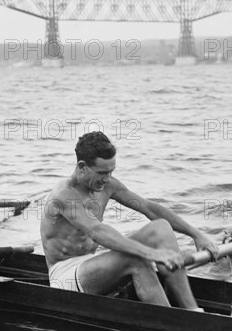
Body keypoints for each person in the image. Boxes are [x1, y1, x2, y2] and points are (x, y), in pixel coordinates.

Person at [40, 131, 219, 310]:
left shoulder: (107, 184)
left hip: (91, 264)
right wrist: (153, 254)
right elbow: (97, 231)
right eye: (102, 173)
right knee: (137, 257)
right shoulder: (64, 195)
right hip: (65, 278)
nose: (107, 179)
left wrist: (196, 235)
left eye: (111, 172)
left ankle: (192, 311)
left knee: (160, 228)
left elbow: (149, 208)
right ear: (81, 167)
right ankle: (172, 321)